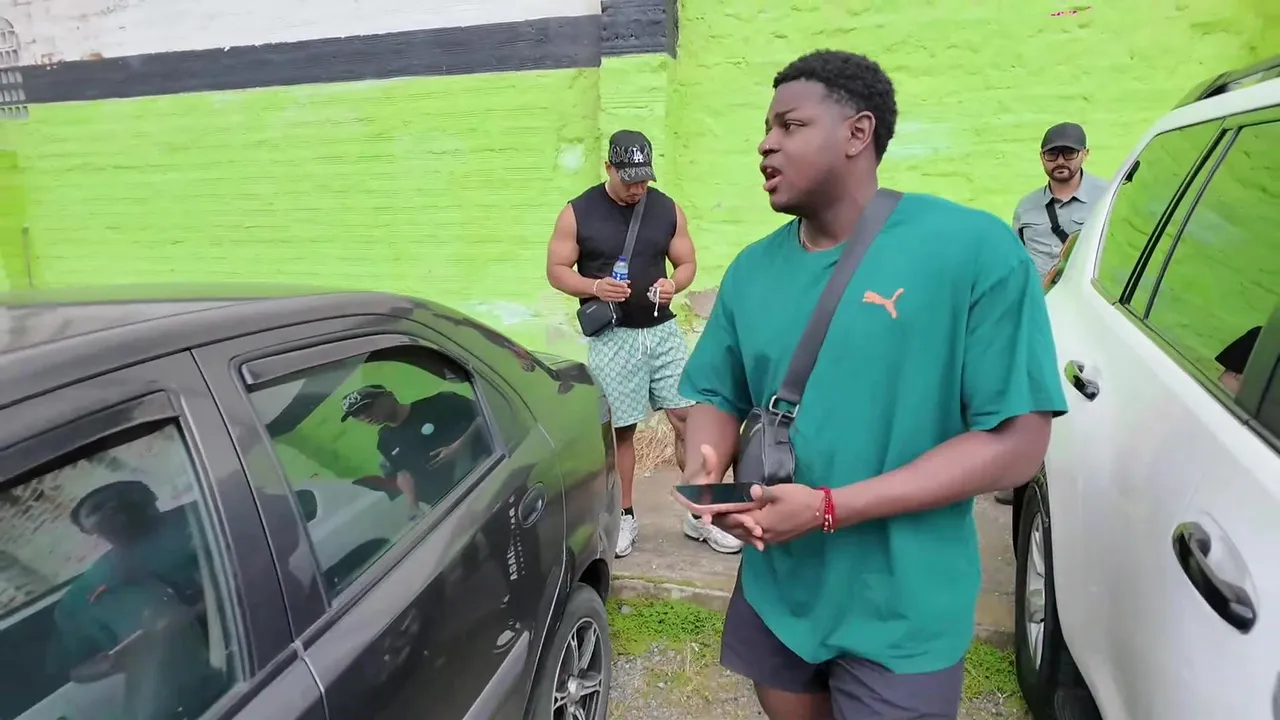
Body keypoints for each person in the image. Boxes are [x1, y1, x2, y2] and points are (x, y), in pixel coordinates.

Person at [677, 50, 1067, 720]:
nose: (766, 143)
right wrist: (707, 469)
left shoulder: (971, 250)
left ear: (858, 133)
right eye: (765, 129)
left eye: (790, 125)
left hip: (902, 607)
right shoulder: (752, 270)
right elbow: (716, 393)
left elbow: (1018, 444)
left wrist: (829, 507)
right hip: (780, 591)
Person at [546, 129, 740, 557]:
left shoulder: (667, 209)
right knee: (621, 431)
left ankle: (700, 515)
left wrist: (674, 284)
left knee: (689, 420)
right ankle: (625, 516)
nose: (637, 189)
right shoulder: (577, 212)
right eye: (629, 179)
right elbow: (557, 269)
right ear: (609, 168)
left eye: (644, 180)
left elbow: (686, 262)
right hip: (613, 338)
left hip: (663, 333)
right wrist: (595, 286)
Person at [995, 121, 1107, 506]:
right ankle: (1022, 476)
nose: (1061, 160)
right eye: (1052, 153)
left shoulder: (1107, 196)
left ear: (1085, 154)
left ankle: (1080, 483)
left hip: (1088, 312)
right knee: (1028, 396)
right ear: (1042, 157)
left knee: (1081, 395)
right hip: (1037, 312)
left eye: (1069, 153)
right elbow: (1015, 260)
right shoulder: (1027, 206)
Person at [52, 480, 224, 720]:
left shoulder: (211, 517)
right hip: (177, 692)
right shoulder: (83, 596)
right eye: (97, 508)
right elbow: (76, 670)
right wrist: (110, 663)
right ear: (85, 529)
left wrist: (192, 615)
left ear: (151, 497)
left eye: (124, 495)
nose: (113, 506)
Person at [340, 383, 487, 515]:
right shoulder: (385, 441)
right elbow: (403, 473)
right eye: (357, 415)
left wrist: (460, 445)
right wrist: (412, 504)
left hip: (481, 479)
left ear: (389, 395)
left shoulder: (440, 403)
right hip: (447, 504)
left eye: (367, 406)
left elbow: (486, 414)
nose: (365, 416)